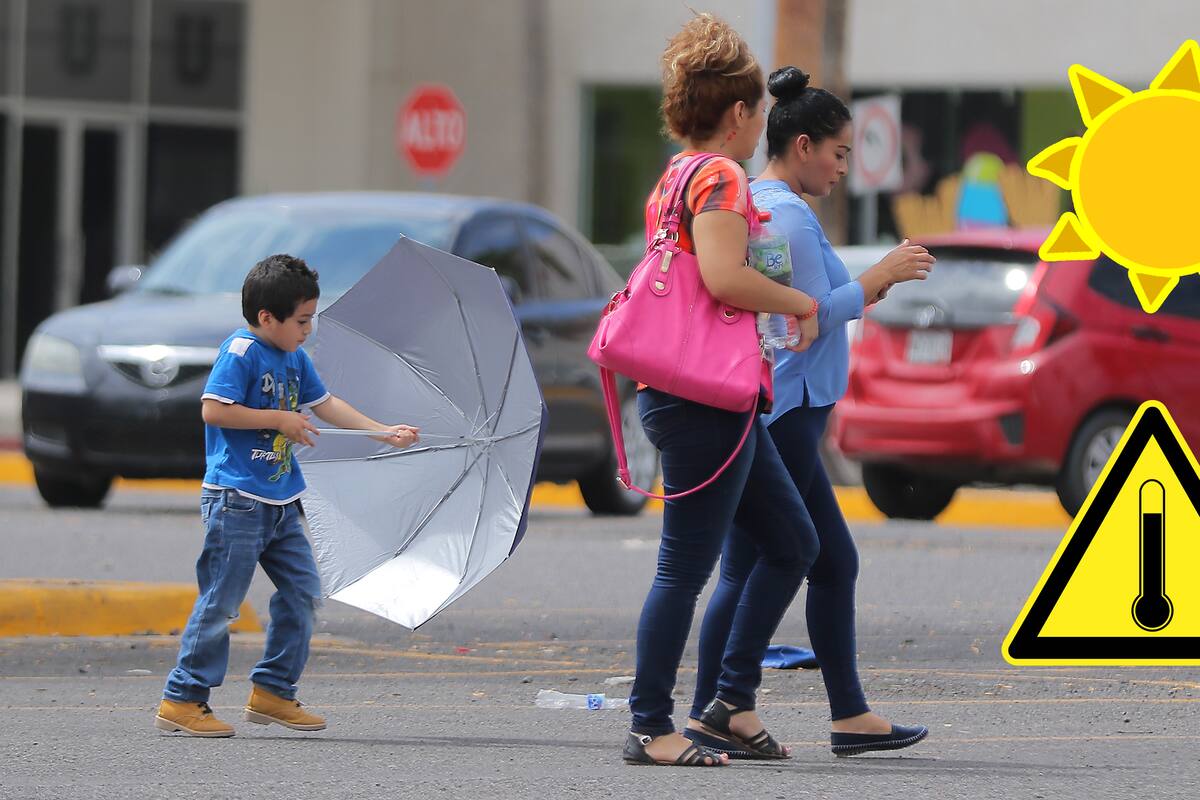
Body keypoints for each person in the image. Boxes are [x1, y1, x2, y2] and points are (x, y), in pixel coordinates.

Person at [687, 66, 935, 758]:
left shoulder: (767, 204)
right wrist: (877, 277)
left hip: (785, 409)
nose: (843, 167)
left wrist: (866, 288)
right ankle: (727, 705)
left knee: (805, 564)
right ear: (802, 146)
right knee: (789, 559)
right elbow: (805, 320)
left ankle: (835, 715)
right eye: (839, 153)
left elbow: (807, 309)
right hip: (788, 412)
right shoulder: (786, 215)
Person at [623, 15, 825, 768]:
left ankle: (730, 702)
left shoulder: (676, 173)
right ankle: (650, 725)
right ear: (738, 113)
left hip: (709, 393)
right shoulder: (719, 175)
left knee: (792, 540)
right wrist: (801, 303)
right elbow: (720, 276)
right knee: (683, 566)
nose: (758, 131)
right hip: (704, 395)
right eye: (757, 117)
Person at [154, 254, 420, 738]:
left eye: (311, 318)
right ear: (266, 318)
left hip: (280, 499)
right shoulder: (241, 352)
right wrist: (279, 419)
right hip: (236, 498)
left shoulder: (295, 357)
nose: (308, 330)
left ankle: (273, 691)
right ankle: (183, 697)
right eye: (302, 321)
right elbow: (214, 411)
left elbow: (326, 404)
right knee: (222, 602)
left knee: (302, 594)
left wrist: (381, 431)